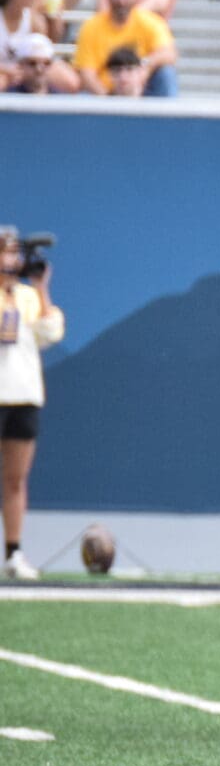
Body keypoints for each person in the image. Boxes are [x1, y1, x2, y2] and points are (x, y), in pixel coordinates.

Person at [0, 224, 59, 580]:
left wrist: (41, 289)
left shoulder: (26, 296)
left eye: (15, 253)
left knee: (16, 479)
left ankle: (13, 552)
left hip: (23, 395)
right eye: (6, 252)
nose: (12, 259)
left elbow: (50, 332)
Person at [72, 0, 173, 94]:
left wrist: (145, 67)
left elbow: (169, 53)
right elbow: (86, 73)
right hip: (104, 92)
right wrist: (108, 100)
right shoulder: (91, 26)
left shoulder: (150, 22)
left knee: (166, 74)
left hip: (141, 89)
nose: (121, 1)